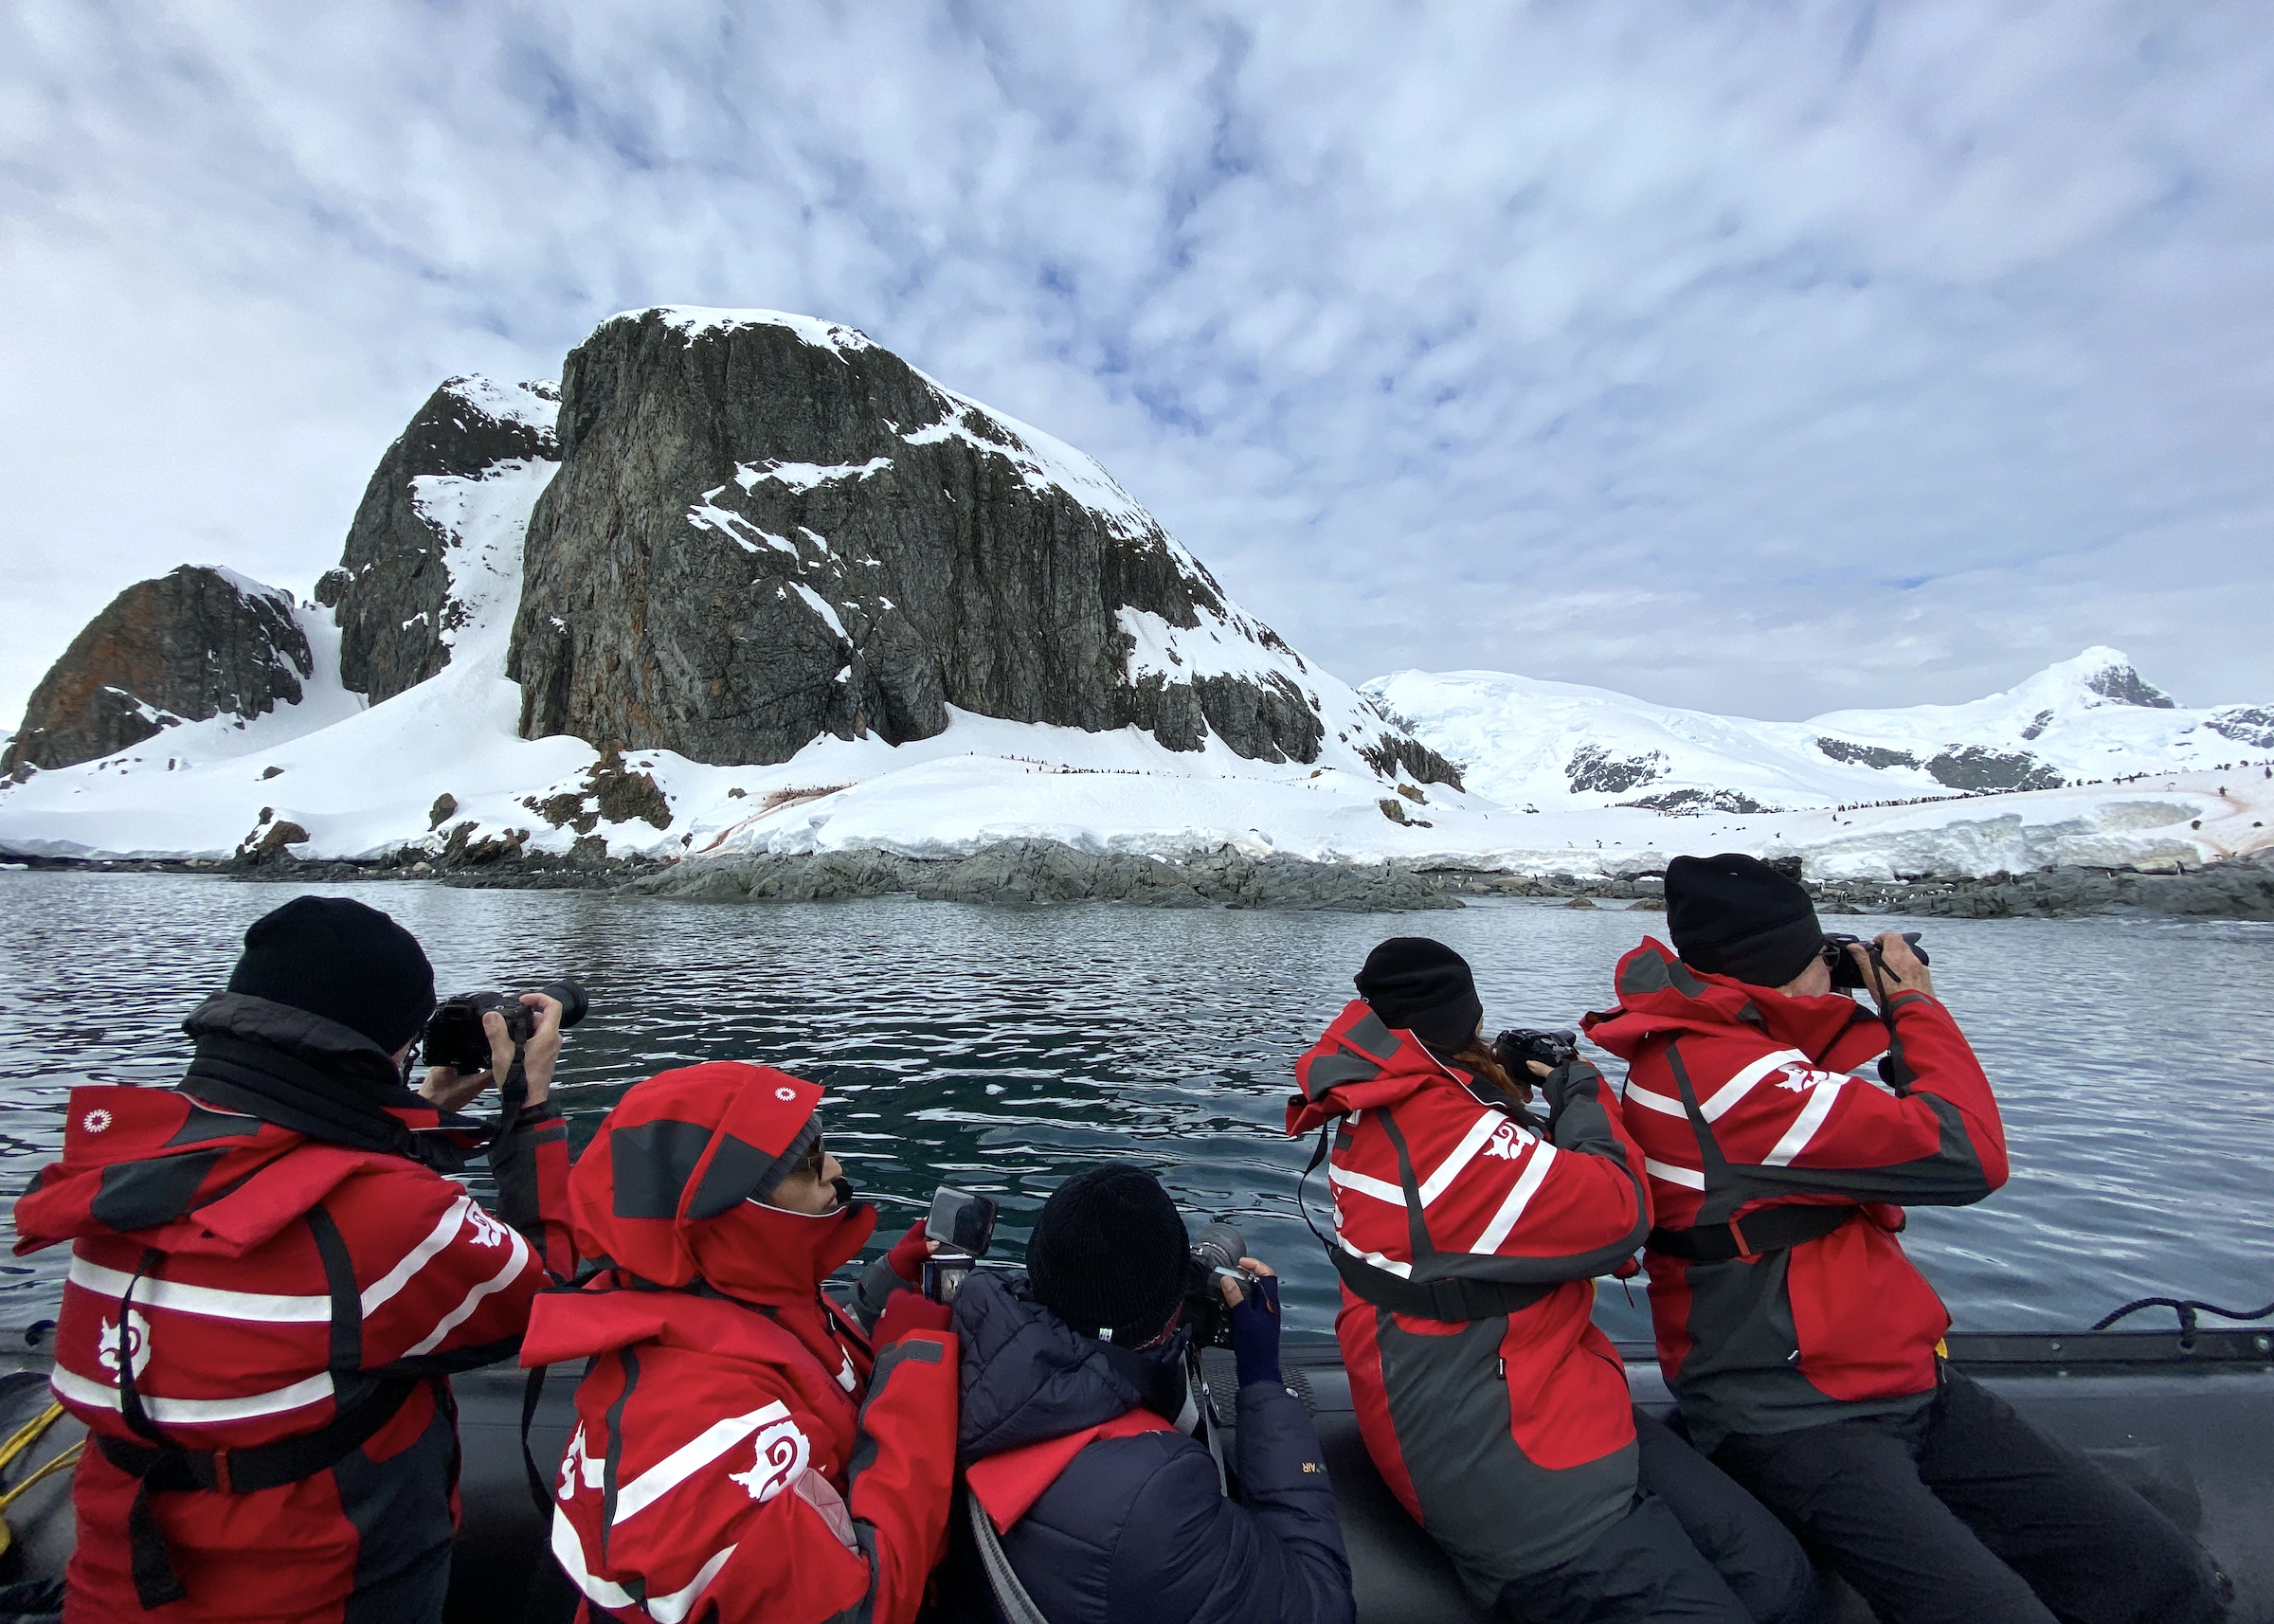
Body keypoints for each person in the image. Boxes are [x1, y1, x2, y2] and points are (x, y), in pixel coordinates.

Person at [1582, 853, 2231, 1624]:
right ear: (1786, 968)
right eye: (1816, 954)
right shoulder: (1725, 1075)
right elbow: (1968, 1154)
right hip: (1794, 1413)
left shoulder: (1741, 1046)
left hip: (1902, 1381)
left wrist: (1814, 998)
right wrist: (1915, 1007)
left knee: (2156, 1574)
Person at [11, 894, 575, 1623]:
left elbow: (287, 1169)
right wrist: (528, 1115)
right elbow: (550, 1295)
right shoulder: (390, 1216)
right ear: (386, 1047)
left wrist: (412, 1113)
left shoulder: (125, 1162)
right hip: (325, 1588)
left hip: (118, 1581)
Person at [1289, 937, 1821, 1624]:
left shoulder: (1381, 1103)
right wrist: (1579, 1089)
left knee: (1778, 1580)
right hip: (1515, 1473)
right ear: (1463, 1027)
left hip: (1551, 1397)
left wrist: (1489, 1088)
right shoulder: (1446, 1138)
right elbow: (1623, 1214)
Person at [525, 1061, 960, 1624]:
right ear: (725, 1211)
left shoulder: (725, 1294)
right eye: (806, 1162)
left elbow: (800, 1355)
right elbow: (864, 1607)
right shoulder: (692, 1427)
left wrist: (888, 1286)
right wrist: (916, 1366)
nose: (835, 1167)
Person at [939, 1163, 1351, 1624]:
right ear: (1176, 1309)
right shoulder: (1158, 1495)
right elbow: (1322, 1605)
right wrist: (1262, 1382)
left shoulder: (958, 1347)